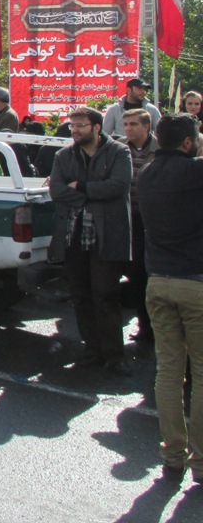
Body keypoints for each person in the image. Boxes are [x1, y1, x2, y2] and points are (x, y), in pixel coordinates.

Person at [137, 114, 203, 484]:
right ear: (189, 143)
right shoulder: (195, 173)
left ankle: (172, 455)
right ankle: (201, 462)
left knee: (168, 372)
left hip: (158, 281)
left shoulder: (146, 174)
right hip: (196, 281)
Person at [48, 106, 133, 375]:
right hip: (73, 237)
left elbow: (118, 186)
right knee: (81, 297)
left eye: (80, 125)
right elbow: (57, 191)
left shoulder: (119, 152)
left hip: (106, 236)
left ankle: (114, 355)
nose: (74, 130)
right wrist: (94, 192)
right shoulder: (64, 155)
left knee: (105, 295)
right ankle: (92, 350)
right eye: (72, 125)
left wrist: (82, 186)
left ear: (97, 127)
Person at [122, 108, 157, 344]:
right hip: (128, 217)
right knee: (136, 275)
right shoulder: (119, 149)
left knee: (153, 274)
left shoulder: (163, 150)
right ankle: (144, 327)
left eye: (133, 124)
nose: (128, 129)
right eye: (125, 124)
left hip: (155, 219)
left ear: (147, 126)